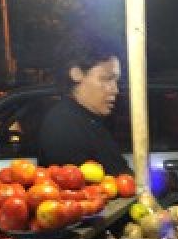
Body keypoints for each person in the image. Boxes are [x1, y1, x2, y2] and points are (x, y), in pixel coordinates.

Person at [36, 30, 132, 175]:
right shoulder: (63, 126)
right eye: (106, 79)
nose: (115, 89)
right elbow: (84, 189)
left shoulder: (92, 120)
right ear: (76, 74)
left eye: (116, 81)